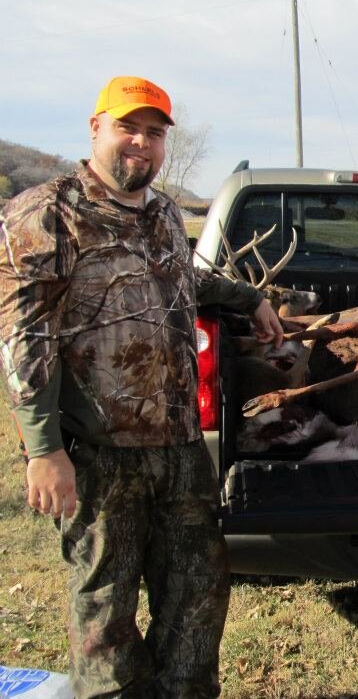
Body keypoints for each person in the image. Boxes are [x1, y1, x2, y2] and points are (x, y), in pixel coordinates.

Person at [0, 75, 284, 698]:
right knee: (107, 611)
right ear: (95, 127)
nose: (142, 143)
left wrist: (250, 298)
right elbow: (25, 337)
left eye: (154, 133)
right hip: (98, 454)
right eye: (129, 127)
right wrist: (44, 451)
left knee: (197, 596)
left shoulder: (159, 214)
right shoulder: (47, 211)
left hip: (180, 448)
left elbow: (186, 283)